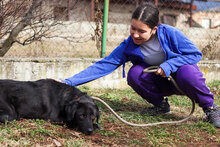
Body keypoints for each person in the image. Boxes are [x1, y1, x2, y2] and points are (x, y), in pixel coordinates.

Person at [60, 2, 220, 128]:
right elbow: (105, 64)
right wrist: (68, 82)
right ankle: (161, 105)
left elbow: (195, 54)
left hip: (183, 80)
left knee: (188, 73)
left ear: (154, 29)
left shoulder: (171, 33)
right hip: (159, 82)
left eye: (141, 31)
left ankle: (210, 109)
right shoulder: (129, 45)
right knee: (135, 74)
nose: (135, 34)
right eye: (132, 28)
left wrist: (170, 65)